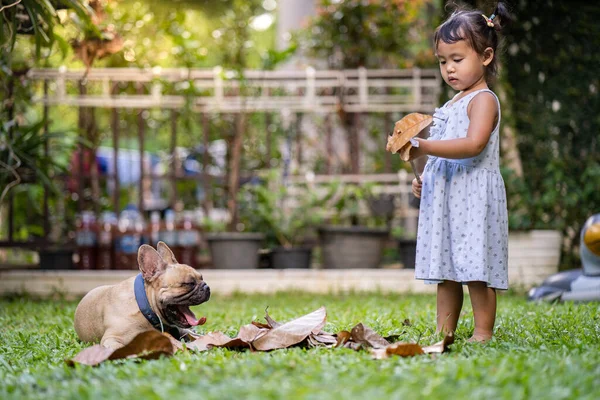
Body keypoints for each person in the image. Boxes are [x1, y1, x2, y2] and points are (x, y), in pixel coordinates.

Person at [408, 2, 511, 342]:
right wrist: (422, 175)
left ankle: (483, 332)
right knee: (446, 270)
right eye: (442, 61)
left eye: (457, 59)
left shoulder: (482, 100)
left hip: (474, 197)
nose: (449, 69)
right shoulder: (450, 104)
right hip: (448, 196)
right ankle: (445, 331)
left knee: (475, 268)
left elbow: (472, 145)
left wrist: (424, 146)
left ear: (485, 56)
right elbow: (440, 152)